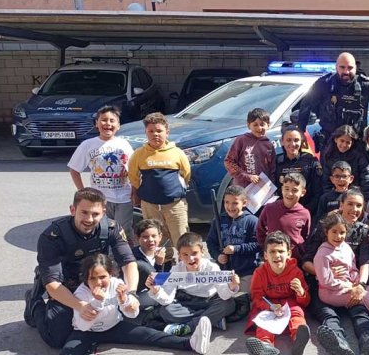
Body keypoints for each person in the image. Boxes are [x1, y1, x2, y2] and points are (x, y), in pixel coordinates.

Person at [23, 254, 211, 355]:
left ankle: (190, 343)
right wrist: (97, 301)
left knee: (149, 335)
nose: (98, 282)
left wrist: (126, 301)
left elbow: (132, 314)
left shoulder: (117, 285)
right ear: (86, 279)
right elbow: (83, 324)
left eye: (103, 277)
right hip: (85, 332)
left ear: (111, 274)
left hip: (114, 326)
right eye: (93, 278)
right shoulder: (81, 292)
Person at [26, 188, 139, 349]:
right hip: (67, 284)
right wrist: (81, 306)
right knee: (57, 339)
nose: (89, 219)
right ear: (73, 210)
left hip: (98, 280)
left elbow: (128, 261)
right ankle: (35, 303)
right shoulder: (53, 236)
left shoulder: (112, 228)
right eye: (84, 212)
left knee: (141, 269)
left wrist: (131, 294)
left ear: (104, 212)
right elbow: (53, 284)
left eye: (95, 214)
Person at [301, 189, 369, 355]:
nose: (354, 209)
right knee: (329, 317)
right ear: (341, 205)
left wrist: (361, 285)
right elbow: (306, 261)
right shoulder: (325, 227)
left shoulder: (364, 230)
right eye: (350, 204)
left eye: (359, 205)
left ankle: (367, 345)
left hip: (351, 285)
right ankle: (340, 346)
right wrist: (326, 272)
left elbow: (364, 261)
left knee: (360, 312)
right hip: (323, 287)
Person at [297, 52, 369, 154]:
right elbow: (306, 104)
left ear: (355, 67)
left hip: (356, 145)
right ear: (336, 67)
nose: (346, 71)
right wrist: (301, 130)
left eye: (350, 68)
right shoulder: (324, 84)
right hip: (329, 143)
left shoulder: (365, 86)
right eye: (342, 67)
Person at [314, 213, 369, 326]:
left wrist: (356, 283)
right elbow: (326, 281)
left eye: (342, 232)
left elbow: (353, 268)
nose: (338, 236)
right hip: (331, 292)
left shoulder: (345, 247)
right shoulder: (323, 254)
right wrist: (350, 286)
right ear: (327, 232)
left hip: (349, 284)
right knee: (364, 296)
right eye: (334, 232)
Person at [146, 232, 239, 335]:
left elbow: (224, 295)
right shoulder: (176, 270)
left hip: (210, 301)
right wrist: (155, 289)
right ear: (179, 256)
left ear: (202, 252)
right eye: (185, 255)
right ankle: (213, 320)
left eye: (194, 253)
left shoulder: (212, 267)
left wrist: (232, 285)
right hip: (188, 303)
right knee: (166, 311)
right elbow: (167, 299)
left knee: (228, 304)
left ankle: (189, 327)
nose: (190, 259)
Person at [67, 105, 135, 242]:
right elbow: (74, 170)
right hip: (99, 200)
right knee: (101, 231)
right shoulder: (87, 145)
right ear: (96, 123)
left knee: (123, 232)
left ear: (118, 125)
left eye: (112, 120)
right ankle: (103, 259)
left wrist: (134, 192)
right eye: (103, 120)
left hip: (123, 198)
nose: (108, 124)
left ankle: (124, 259)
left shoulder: (124, 144)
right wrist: (83, 191)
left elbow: (133, 171)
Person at [128, 112, 191, 252]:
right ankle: (164, 265)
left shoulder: (177, 153)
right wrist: (146, 192)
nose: (155, 134)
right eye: (151, 131)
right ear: (145, 132)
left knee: (181, 238)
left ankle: (184, 266)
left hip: (175, 205)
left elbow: (186, 174)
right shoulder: (139, 154)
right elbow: (133, 176)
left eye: (159, 131)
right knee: (157, 240)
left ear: (167, 132)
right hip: (150, 205)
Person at [246, 232, 311, 355]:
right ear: (265, 255)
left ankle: (298, 337)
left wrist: (300, 292)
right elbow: (256, 297)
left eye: (281, 251)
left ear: (289, 253)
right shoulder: (259, 273)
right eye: (272, 252)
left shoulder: (296, 272)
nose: (277, 255)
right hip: (268, 304)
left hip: (289, 303)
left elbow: (305, 301)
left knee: (297, 312)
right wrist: (269, 307)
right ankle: (266, 345)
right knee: (264, 319)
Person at [206, 185, 259, 293]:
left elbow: (258, 244)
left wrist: (237, 249)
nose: (230, 207)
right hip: (224, 271)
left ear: (244, 203)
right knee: (225, 298)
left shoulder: (252, 221)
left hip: (246, 271)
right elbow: (211, 242)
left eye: (235, 203)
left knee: (244, 298)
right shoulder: (218, 220)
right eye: (227, 202)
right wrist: (217, 255)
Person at [256, 172, 311, 261]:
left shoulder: (304, 213)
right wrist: (268, 248)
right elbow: (260, 231)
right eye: (287, 189)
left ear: (303, 192)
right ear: (282, 189)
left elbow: (305, 237)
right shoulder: (269, 208)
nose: (290, 193)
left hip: (294, 260)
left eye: (295, 190)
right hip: (274, 259)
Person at [274, 125, 323, 216]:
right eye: (288, 140)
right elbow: (273, 189)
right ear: (282, 142)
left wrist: (304, 211)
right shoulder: (276, 161)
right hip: (282, 212)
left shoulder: (311, 161)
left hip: (306, 211)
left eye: (296, 140)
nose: (293, 144)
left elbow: (318, 192)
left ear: (301, 141)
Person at [223, 108, 276, 188]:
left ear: (268, 125)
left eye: (262, 124)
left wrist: (271, 186)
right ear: (248, 125)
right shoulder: (241, 140)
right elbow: (229, 162)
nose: (259, 128)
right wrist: (247, 176)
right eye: (255, 125)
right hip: (243, 187)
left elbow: (272, 169)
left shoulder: (269, 145)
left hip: (262, 190)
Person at [320, 125, 369, 201]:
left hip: (355, 195)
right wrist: (331, 198)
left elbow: (366, 176)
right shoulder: (328, 156)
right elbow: (325, 181)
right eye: (342, 141)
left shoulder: (358, 156)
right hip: (335, 196)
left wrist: (364, 198)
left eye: (348, 142)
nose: (344, 145)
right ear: (336, 139)